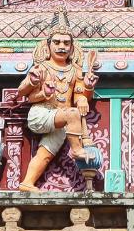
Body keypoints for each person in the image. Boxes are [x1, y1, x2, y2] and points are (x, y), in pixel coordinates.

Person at [15, 11, 99, 191]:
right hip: (41, 114)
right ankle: (77, 150)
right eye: (57, 42)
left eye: (66, 43)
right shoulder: (42, 67)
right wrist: (33, 81)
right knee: (72, 113)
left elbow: (78, 95)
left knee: (45, 154)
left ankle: (27, 182)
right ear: (48, 45)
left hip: (62, 123)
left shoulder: (75, 70)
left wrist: (87, 90)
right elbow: (22, 92)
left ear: (72, 47)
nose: (62, 46)